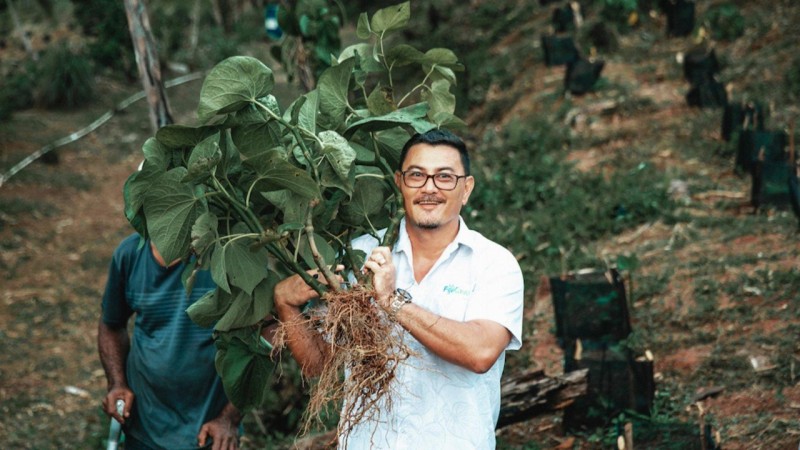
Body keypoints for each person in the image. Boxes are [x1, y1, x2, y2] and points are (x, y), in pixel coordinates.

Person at [273, 128, 524, 449]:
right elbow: (320, 364)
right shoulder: (358, 255)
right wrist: (286, 305)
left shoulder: (493, 263)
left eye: (445, 177)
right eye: (416, 175)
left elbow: (480, 353)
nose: (429, 188)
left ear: (466, 188)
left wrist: (392, 301)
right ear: (399, 183)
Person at [98, 233, 242, 450]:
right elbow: (111, 324)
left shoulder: (225, 251)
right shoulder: (130, 254)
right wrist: (117, 383)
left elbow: (264, 339)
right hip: (144, 422)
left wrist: (230, 417)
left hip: (210, 430)